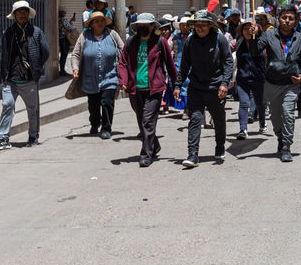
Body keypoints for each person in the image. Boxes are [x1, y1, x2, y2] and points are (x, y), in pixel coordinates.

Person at [246, 5, 301, 163]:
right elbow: (254, 52)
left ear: (295, 22)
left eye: (291, 19)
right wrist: (252, 37)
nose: (287, 21)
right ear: (279, 18)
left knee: (288, 114)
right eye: (284, 17)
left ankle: (287, 146)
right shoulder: (268, 35)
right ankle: (280, 137)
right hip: (272, 83)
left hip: (291, 84)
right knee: (275, 117)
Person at [174, 10, 234, 168]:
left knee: (219, 119)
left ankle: (220, 145)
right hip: (196, 87)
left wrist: (224, 83)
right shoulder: (190, 41)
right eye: (196, 25)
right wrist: (178, 85)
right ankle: (193, 154)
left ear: (210, 26)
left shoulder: (219, 39)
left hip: (216, 88)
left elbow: (228, 63)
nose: (199, 28)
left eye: (203, 25)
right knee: (195, 119)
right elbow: (185, 65)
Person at [118, 14, 177, 167]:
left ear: (152, 26)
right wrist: (123, 80)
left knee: (148, 121)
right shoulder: (131, 42)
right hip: (134, 89)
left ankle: (146, 154)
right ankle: (154, 145)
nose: (143, 28)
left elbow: (170, 66)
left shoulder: (160, 42)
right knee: (142, 122)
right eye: (140, 26)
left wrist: (177, 85)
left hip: (154, 89)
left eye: (147, 25)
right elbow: (122, 63)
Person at [0, 1, 49, 150]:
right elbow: (4, 54)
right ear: (14, 15)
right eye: (19, 12)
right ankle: (3, 138)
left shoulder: (36, 32)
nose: (22, 15)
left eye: (25, 12)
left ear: (28, 15)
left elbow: (45, 52)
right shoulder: (8, 33)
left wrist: (35, 67)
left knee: (32, 109)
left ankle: (33, 136)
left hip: (29, 80)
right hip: (11, 79)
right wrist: (4, 75)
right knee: (7, 105)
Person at [71, 11, 125, 139]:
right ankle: (95, 123)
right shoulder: (85, 35)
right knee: (93, 105)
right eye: (97, 21)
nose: (100, 23)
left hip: (110, 76)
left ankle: (106, 128)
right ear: (92, 25)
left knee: (107, 101)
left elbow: (124, 51)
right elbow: (76, 54)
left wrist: (123, 70)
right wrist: (75, 68)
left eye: (102, 21)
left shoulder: (112, 34)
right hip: (90, 78)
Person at [233, 19, 267, 138]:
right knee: (244, 103)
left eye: (251, 28)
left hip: (258, 78)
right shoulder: (238, 42)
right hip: (242, 79)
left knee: (259, 103)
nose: (248, 31)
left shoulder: (262, 42)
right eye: (245, 28)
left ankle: (262, 124)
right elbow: (225, 50)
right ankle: (243, 129)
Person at [58, 7, 76, 77]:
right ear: (62, 12)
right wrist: (71, 21)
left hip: (60, 39)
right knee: (64, 55)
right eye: (64, 12)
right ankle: (62, 71)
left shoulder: (58, 19)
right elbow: (70, 28)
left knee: (63, 55)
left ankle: (62, 70)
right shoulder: (63, 19)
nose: (65, 13)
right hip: (64, 39)